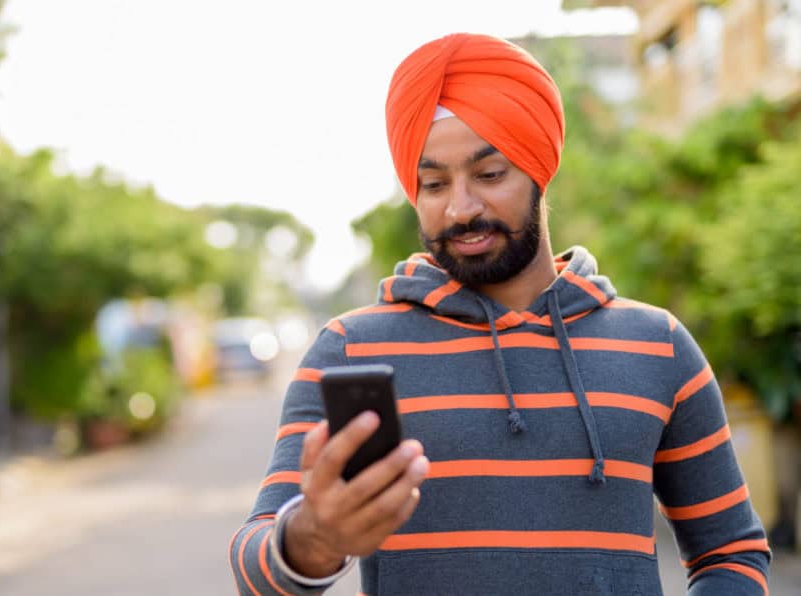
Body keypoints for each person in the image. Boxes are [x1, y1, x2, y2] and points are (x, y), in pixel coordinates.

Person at [229, 33, 771, 596]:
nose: (461, 208)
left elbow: (730, 553)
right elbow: (255, 563)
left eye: (489, 175)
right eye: (433, 183)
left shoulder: (657, 345)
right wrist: (312, 539)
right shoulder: (350, 349)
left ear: (540, 168)